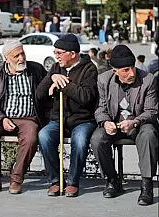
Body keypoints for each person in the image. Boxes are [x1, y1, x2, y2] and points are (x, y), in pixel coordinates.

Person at [0, 40, 49, 195]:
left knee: (31, 138)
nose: (21, 58)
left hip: (28, 118)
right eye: (16, 56)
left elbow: (47, 87)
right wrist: (1, 119)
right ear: (6, 59)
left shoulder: (35, 69)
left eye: (22, 54)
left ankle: (16, 180)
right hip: (1, 117)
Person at [90, 45, 158, 206]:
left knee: (149, 134)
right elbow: (100, 108)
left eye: (133, 68)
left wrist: (134, 122)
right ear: (115, 71)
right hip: (115, 123)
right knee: (97, 138)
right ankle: (112, 180)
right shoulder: (103, 80)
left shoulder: (148, 79)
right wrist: (106, 122)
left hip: (140, 124)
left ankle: (146, 186)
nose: (132, 73)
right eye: (126, 70)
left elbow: (152, 111)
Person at [36, 34, 98, 197]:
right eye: (55, 52)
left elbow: (85, 97)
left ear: (73, 54)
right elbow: (39, 94)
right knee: (44, 136)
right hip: (58, 119)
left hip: (82, 120)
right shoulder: (56, 68)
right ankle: (56, 181)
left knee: (80, 140)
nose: (56, 56)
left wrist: (64, 85)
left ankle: (72, 182)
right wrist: (52, 77)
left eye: (59, 53)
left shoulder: (89, 69)